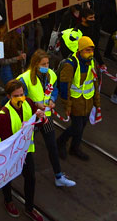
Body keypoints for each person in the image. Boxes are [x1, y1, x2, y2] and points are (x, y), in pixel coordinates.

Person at [16, 50, 77, 187]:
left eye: (48, 63)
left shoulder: (51, 75)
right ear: (35, 64)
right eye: (43, 64)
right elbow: (20, 98)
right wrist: (35, 104)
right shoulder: (24, 79)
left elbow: (54, 89)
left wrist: (52, 100)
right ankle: (17, 169)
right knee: (24, 147)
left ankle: (59, 176)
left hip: (46, 118)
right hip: (31, 120)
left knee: (52, 146)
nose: (47, 66)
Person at [0, 79, 46, 221]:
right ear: (9, 97)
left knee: (31, 178)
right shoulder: (4, 115)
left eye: (22, 94)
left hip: (26, 150)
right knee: (7, 177)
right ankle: (8, 200)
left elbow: (37, 123)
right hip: (9, 152)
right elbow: (7, 139)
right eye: (16, 95)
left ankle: (29, 208)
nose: (21, 97)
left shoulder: (28, 103)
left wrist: (41, 118)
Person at [56, 35, 101, 160]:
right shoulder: (70, 65)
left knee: (82, 126)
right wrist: (67, 106)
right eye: (87, 50)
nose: (90, 53)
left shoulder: (92, 62)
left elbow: (94, 82)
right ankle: (60, 142)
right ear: (80, 50)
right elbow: (65, 87)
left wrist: (97, 101)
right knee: (77, 127)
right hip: (75, 103)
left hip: (87, 101)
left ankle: (75, 147)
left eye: (92, 50)